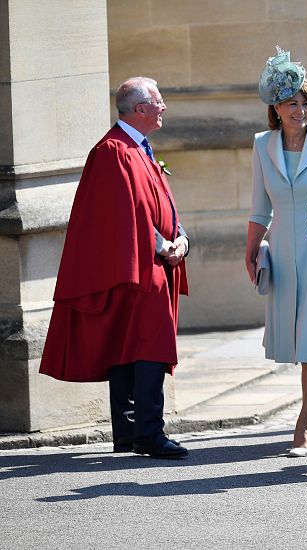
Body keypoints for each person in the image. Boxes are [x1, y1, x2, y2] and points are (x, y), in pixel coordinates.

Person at [39, 77, 189, 459]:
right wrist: (163, 244)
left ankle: (130, 434)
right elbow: (122, 216)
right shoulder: (113, 151)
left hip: (153, 262)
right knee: (148, 346)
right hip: (137, 267)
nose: (164, 108)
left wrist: (181, 238)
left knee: (131, 348)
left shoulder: (138, 147)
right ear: (140, 109)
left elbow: (160, 205)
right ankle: (148, 433)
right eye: (158, 101)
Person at [244, 48, 307, 458]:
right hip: (282, 246)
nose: (299, 109)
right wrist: (251, 251)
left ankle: (306, 422)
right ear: (276, 108)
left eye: (305, 102)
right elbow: (258, 207)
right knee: (296, 336)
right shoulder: (262, 145)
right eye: (291, 103)